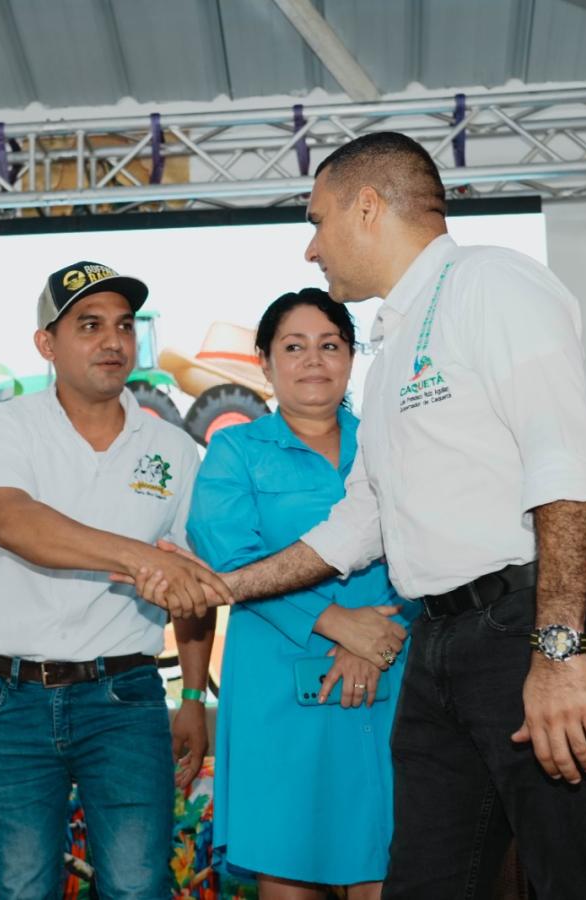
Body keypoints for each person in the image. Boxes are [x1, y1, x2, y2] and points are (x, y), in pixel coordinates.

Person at [129, 132, 586, 899]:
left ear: (367, 207)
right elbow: (358, 522)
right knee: (423, 881)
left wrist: (560, 651)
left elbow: (565, 469)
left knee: (572, 879)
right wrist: (224, 589)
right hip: (441, 644)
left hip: (531, 626)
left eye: (318, 220)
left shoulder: (489, 284)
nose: (311, 248)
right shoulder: (395, 340)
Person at [0, 260, 227, 899]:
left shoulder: (174, 450)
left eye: (123, 325)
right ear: (46, 345)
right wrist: (143, 559)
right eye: (89, 325)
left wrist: (192, 695)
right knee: (23, 888)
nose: (113, 341)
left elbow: (190, 584)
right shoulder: (8, 425)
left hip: (126, 700)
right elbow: (16, 523)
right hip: (15, 698)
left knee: (137, 889)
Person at [186, 288, 411, 899]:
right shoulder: (235, 451)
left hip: (389, 676)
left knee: (389, 864)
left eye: (330, 345)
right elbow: (230, 564)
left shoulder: (390, 443)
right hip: (277, 687)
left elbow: (434, 551)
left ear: (352, 356)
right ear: (265, 362)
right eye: (294, 346)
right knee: (290, 868)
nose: (314, 360)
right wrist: (339, 622)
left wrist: (376, 640)